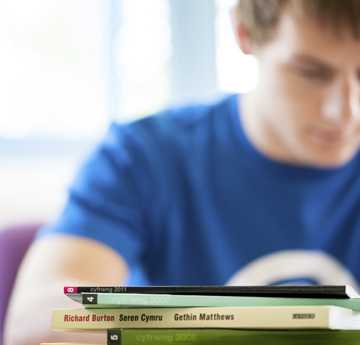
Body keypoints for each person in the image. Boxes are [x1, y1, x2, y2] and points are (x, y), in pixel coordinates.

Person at [4, 0, 360, 344]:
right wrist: (235, 323)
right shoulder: (143, 156)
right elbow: (36, 318)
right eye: (311, 72)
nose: (345, 111)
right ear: (245, 32)